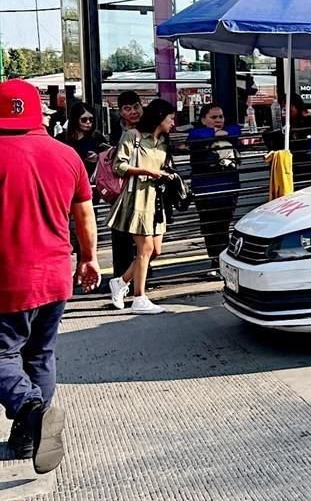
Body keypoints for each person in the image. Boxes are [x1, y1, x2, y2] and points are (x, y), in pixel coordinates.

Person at [0, 79, 100, 474]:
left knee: (3, 353)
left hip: (9, 275)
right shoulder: (67, 155)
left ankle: (30, 410)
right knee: (39, 353)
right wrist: (89, 259)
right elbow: (85, 214)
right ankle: (28, 437)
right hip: (56, 273)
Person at [106, 99, 177, 315]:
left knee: (155, 250)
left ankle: (120, 282)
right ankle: (139, 297)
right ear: (159, 117)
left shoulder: (163, 141)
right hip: (136, 197)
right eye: (170, 118)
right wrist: (147, 172)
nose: (173, 123)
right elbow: (119, 166)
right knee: (144, 249)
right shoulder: (133, 136)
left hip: (156, 199)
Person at [187, 104, 241, 263]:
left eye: (221, 117)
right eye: (213, 117)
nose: (218, 120)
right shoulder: (197, 134)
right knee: (210, 227)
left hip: (228, 189)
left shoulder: (229, 131)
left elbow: (237, 130)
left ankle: (222, 261)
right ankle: (215, 260)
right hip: (206, 190)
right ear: (203, 119)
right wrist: (214, 133)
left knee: (223, 227)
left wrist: (222, 132)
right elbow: (195, 135)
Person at [108, 91, 143, 287]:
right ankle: (121, 276)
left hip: (143, 189)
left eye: (136, 107)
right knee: (121, 236)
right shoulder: (115, 131)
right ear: (120, 111)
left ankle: (141, 277)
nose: (133, 112)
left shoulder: (150, 128)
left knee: (142, 238)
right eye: (127, 109)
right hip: (121, 192)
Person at [58, 102, 110, 177]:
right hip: (68, 177)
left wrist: (98, 157)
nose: (88, 122)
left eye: (91, 119)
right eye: (84, 119)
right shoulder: (62, 139)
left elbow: (108, 159)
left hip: (91, 179)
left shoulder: (97, 138)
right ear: (75, 119)